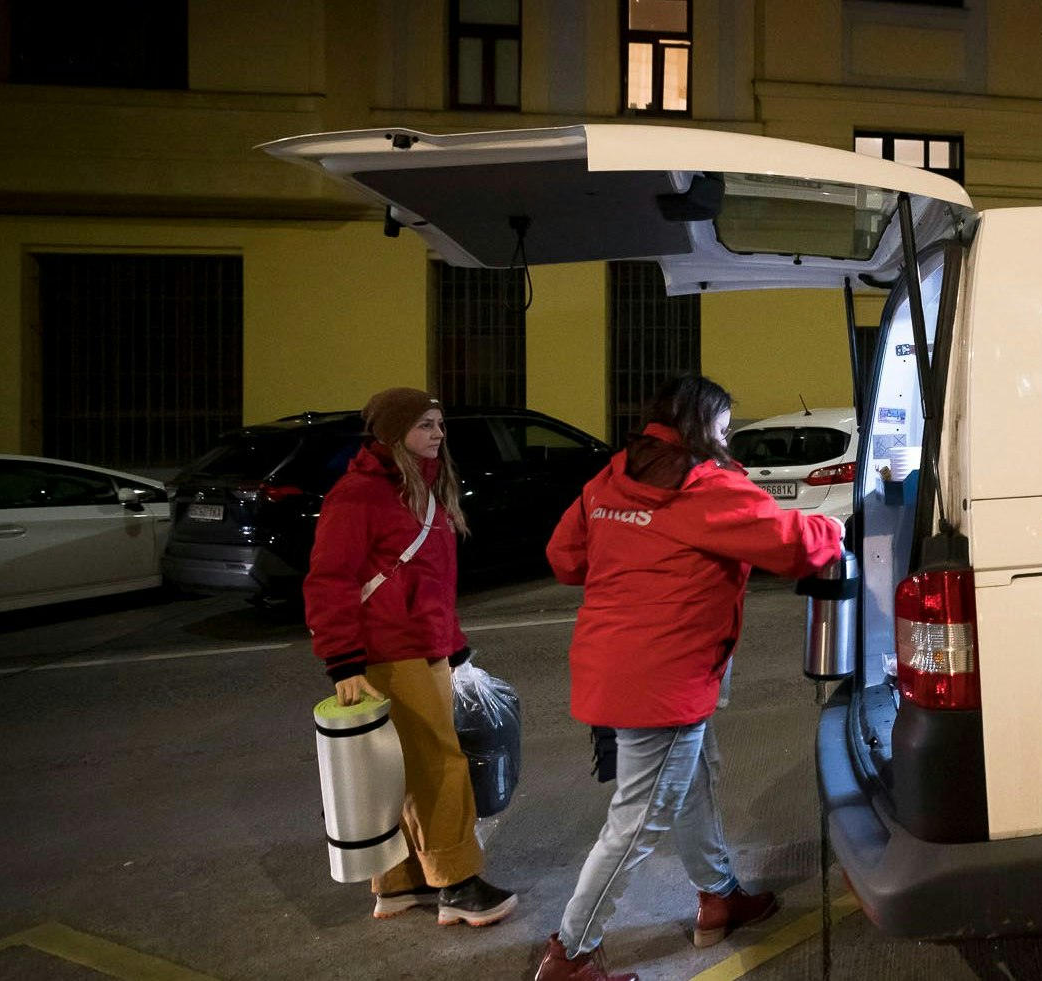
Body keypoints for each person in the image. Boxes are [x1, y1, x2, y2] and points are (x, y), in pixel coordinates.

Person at [535, 375, 842, 981]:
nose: (727, 440)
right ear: (703, 427)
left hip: (615, 662)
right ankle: (570, 955)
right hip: (663, 677)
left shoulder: (611, 478)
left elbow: (565, 559)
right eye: (724, 429)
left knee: (694, 778)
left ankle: (718, 894)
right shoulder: (705, 487)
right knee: (640, 817)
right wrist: (839, 529)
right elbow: (794, 546)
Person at [305, 387, 517, 927]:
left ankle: (401, 882)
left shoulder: (422, 490)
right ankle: (458, 886)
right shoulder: (359, 496)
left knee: (403, 772)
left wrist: (455, 643)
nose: (437, 435)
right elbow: (330, 581)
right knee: (440, 767)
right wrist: (345, 664)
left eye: (439, 425)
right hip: (388, 654)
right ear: (392, 433)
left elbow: (428, 582)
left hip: (425, 648)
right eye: (425, 425)